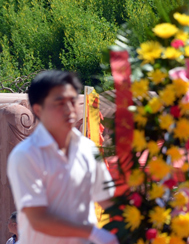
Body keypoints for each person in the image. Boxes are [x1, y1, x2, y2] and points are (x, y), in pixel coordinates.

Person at [7, 70, 118, 244]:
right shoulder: (25, 155)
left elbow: (107, 200)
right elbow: (38, 218)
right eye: (60, 103)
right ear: (38, 109)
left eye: (72, 101)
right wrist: (93, 233)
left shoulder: (88, 149)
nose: (69, 109)